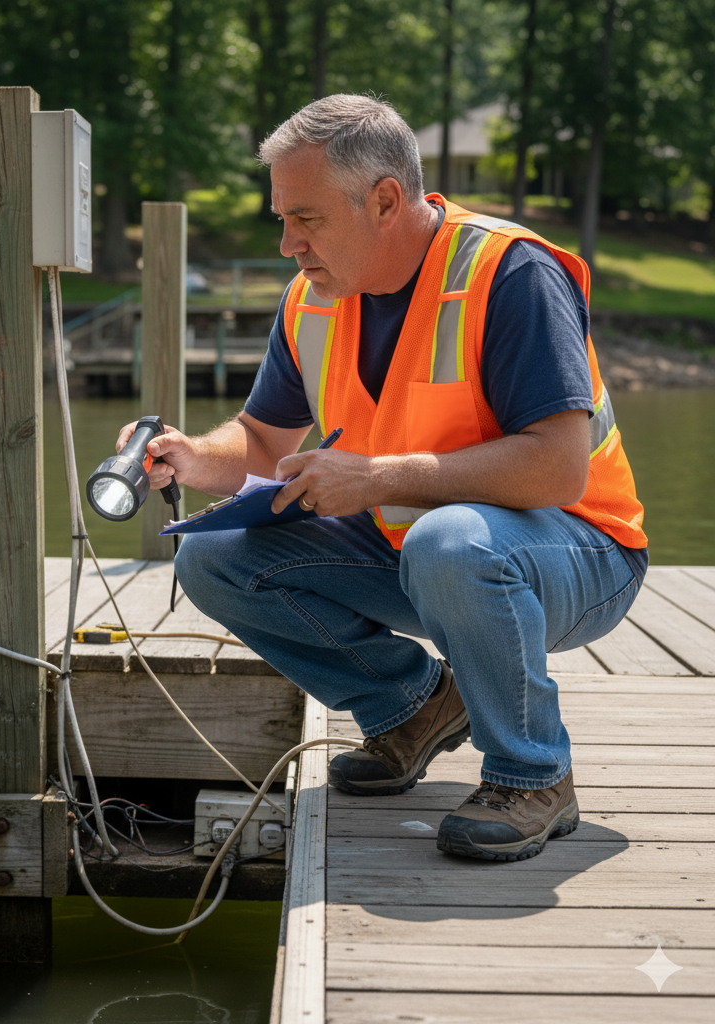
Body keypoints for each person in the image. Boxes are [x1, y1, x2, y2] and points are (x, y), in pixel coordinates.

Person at [115, 94, 647, 862]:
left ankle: (533, 774)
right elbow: (264, 438)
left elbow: (560, 467)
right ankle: (410, 706)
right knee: (213, 555)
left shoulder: (511, 272)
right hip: (427, 547)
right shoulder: (313, 298)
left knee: (450, 541)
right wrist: (195, 457)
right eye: (282, 220)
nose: (289, 243)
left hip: (584, 555)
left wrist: (377, 477)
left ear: (386, 200)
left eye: (307, 218)